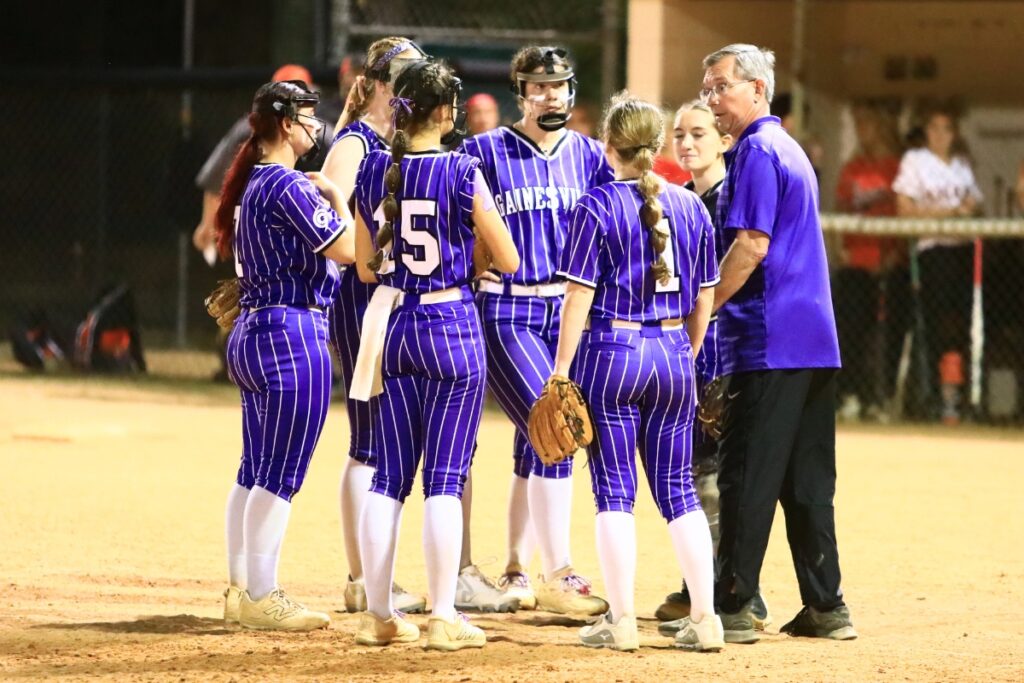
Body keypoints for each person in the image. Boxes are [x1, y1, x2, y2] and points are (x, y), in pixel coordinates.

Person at [351, 59, 520, 650]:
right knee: (445, 479)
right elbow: (510, 259)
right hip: (450, 326)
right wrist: (468, 258)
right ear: (447, 112)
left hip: (395, 325)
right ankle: (445, 614)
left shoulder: (375, 168)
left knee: (388, 478)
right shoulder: (461, 169)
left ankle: (379, 614)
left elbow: (368, 266)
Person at [551, 93, 723, 652]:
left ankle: (621, 622)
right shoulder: (692, 205)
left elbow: (578, 296)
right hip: (673, 353)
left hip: (613, 353)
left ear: (609, 147)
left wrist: (559, 370)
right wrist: (687, 354)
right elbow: (705, 296)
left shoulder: (596, 205)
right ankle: (706, 619)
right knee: (679, 491)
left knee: (614, 494)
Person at [700, 44, 856, 642]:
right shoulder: (787, 147)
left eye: (722, 87)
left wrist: (704, 309)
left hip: (769, 340)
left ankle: (732, 608)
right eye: (707, 88)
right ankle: (827, 606)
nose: (713, 98)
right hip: (814, 340)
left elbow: (751, 247)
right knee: (806, 482)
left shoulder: (757, 151)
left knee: (745, 476)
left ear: (758, 90)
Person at [458, 46, 613, 615]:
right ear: (520, 93)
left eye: (561, 86)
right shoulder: (483, 151)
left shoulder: (591, 157)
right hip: (508, 311)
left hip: (569, 314)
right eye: (540, 87)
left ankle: (518, 569)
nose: (552, 97)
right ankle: (561, 574)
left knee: (533, 447)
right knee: (555, 427)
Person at [217, 80, 355, 631]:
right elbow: (346, 249)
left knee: (255, 469)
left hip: (256, 331)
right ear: (283, 123)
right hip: (291, 334)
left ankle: (240, 589)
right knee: (279, 474)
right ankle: (262, 594)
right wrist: (340, 202)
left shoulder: (257, 183)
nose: (312, 124)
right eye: (304, 115)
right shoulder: (288, 186)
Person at [319, 36, 430, 617]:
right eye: (404, 80)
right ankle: (362, 578)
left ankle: (371, 573)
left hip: (388, 301)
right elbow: (333, 240)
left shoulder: (396, 143)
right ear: (382, 84)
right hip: (361, 301)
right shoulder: (356, 143)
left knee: (383, 440)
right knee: (368, 442)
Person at [654, 101, 769, 632]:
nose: (687, 142)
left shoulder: (728, 196)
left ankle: (736, 591)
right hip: (689, 351)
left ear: (723, 140)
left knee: (714, 475)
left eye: (699, 132)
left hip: (723, 350)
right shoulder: (679, 199)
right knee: (695, 471)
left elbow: (733, 276)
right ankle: (702, 582)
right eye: (679, 134)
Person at [893, 104, 983, 423]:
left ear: (953, 134)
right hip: (933, 252)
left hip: (962, 252)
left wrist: (964, 210)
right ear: (925, 132)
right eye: (933, 128)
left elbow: (974, 203)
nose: (939, 135)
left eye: (946, 129)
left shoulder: (961, 165)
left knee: (962, 328)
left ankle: (960, 399)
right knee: (936, 325)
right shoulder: (916, 161)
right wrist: (949, 213)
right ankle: (932, 397)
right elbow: (904, 208)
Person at [833, 103, 905, 421]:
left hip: (888, 265)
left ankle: (880, 397)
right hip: (855, 265)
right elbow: (839, 208)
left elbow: (903, 215)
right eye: (858, 126)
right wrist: (839, 249)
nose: (863, 132)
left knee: (887, 334)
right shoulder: (853, 169)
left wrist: (893, 255)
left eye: (868, 125)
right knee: (851, 329)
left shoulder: (896, 167)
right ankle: (851, 394)